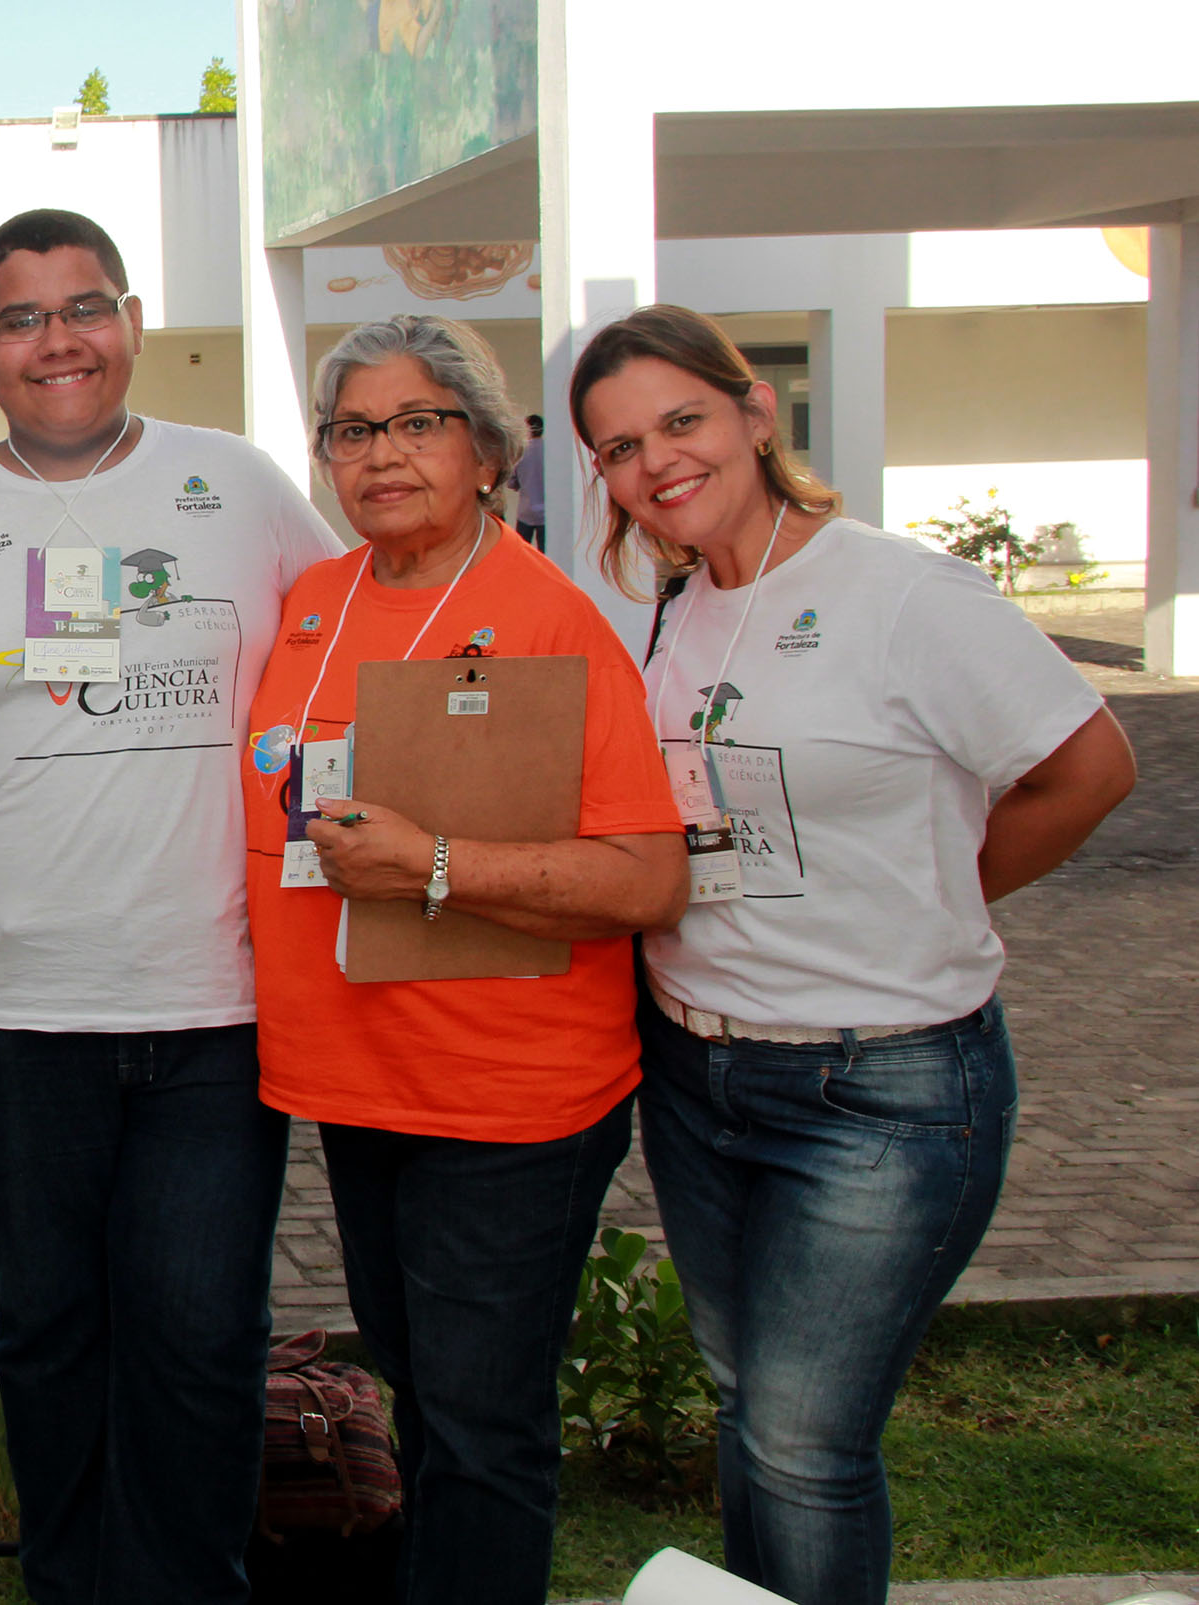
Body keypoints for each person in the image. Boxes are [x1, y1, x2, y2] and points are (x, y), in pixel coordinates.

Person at [0, 208, 342, 1605]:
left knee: (196, 1341)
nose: (58, 341)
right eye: (21, 318)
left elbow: (360, 646)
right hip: (8, 1024)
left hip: (216, 1018)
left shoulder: (236, 490)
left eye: (83, 306)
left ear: (128, 318)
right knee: (50, 1339)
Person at [571, 304, 1137, 1605]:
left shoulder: (897, 590)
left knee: (802, 1438)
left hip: (877, 1092)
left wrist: (940, 883)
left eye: (678, 421)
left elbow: (1088, 767)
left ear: (753, 415)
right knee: (744, 1413)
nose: (652, 463)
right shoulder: (668, 612)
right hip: (698, 1079)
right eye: (615, 447)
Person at [241, 314, 685, 1605]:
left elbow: (645, 876)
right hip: (355, 1080)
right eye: (350, 429)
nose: (379, 453)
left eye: (415, 421)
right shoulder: (313, 602)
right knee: (422, 1406)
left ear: (486, 449)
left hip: (505, 1103)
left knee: (481, 1433)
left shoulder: (547, 621)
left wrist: (435, 866)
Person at [511, 413, 546, 551]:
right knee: (545, 555)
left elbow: (511, 482)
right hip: (546, 513)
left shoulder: (521, 452)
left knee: (520, 552)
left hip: (525, 511)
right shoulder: (549, 450)